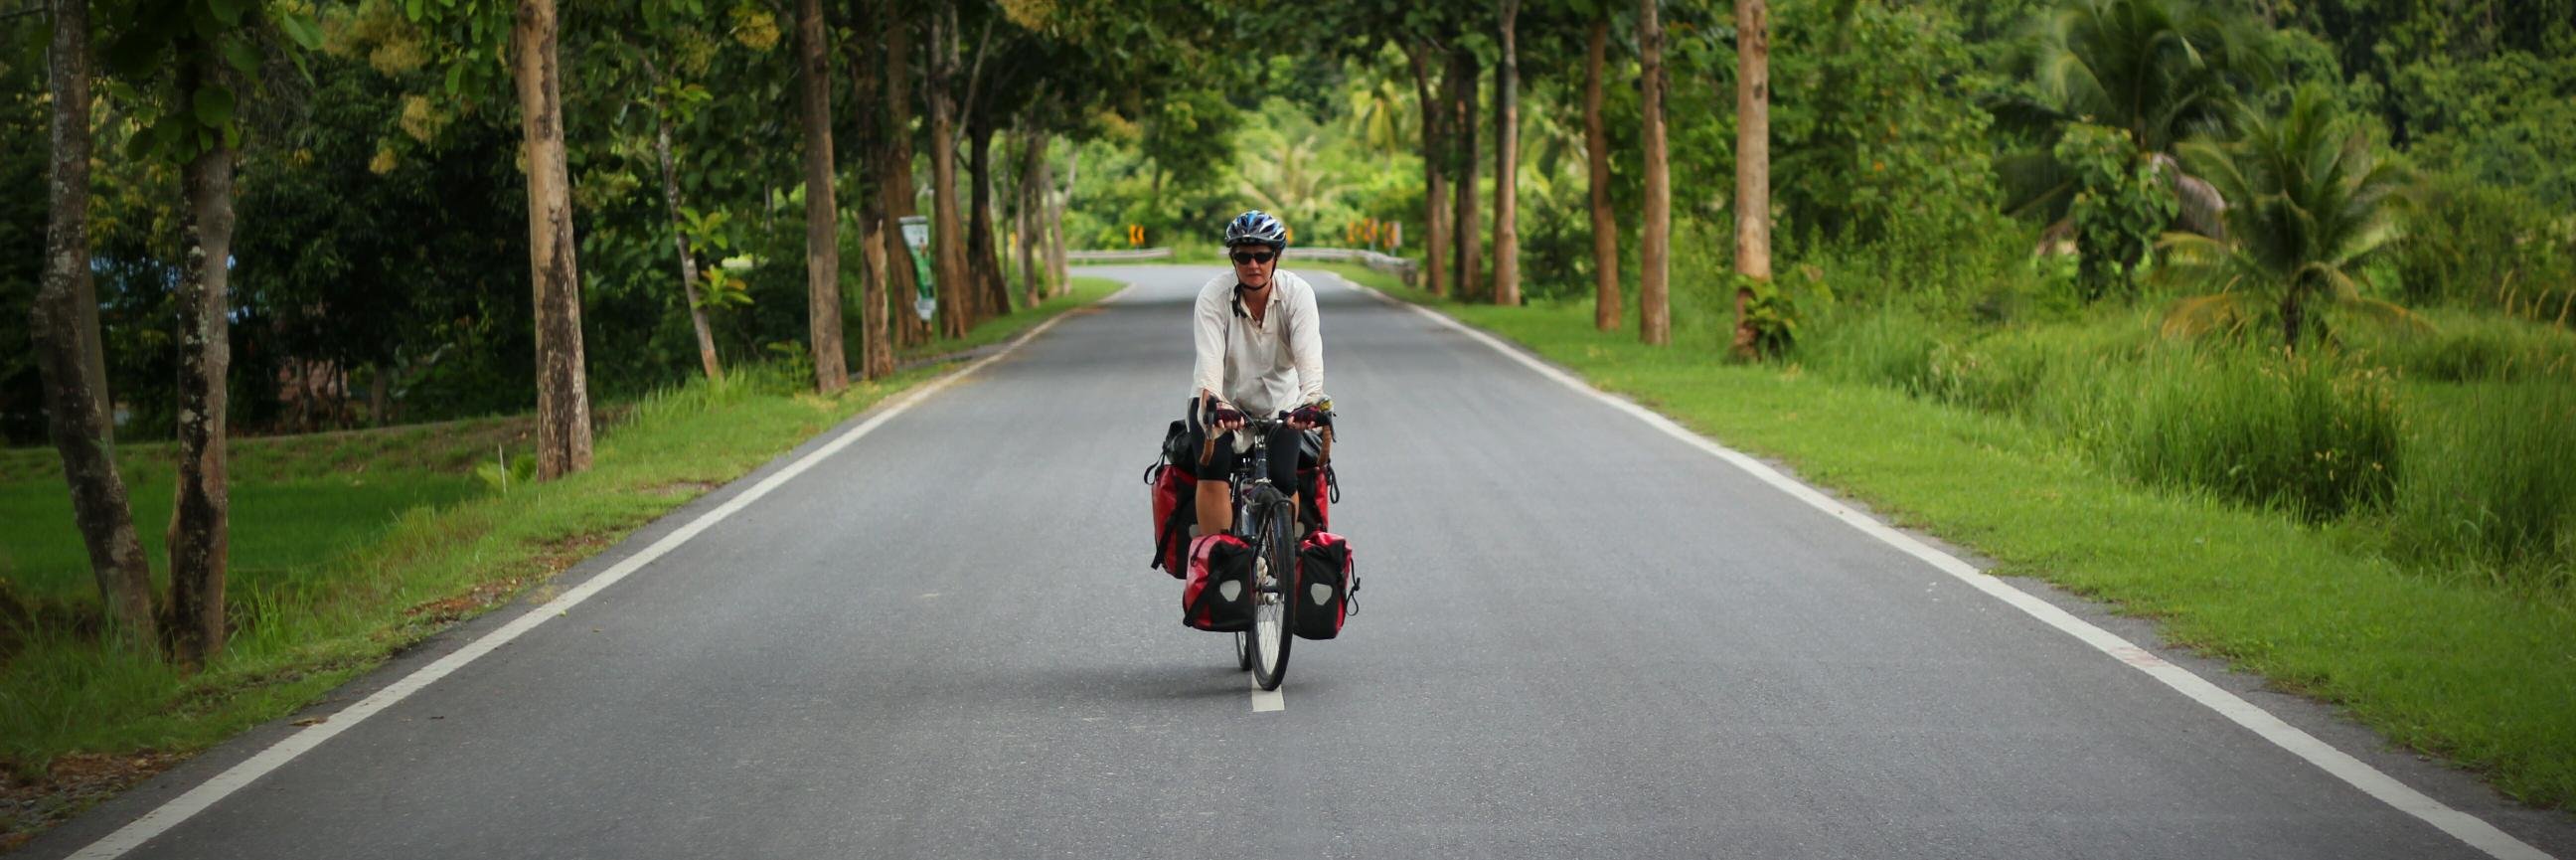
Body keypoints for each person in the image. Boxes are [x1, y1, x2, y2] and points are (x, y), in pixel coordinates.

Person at [1188, 210, 1330, 537]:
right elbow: (1208, 361)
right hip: (1220, 400)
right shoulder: (1213, 296)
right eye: (1243, 256)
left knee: (1284, 478)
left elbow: (1309, 355)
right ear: (1233, 258)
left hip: (1281, 403)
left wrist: (1310, 402)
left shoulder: (1298, 294)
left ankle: (1285, 557)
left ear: (1276, 257)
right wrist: (1217, 404)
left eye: (1263, 255)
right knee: (1213, 471)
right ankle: (1221, 562)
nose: (1253, 265)